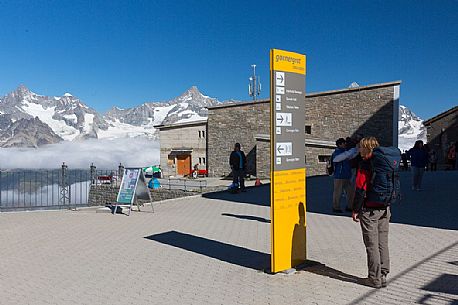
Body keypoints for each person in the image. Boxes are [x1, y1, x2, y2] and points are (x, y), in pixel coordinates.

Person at [352, 137, 399, 289]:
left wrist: (355, 210)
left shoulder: (366, 164)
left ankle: (374, 278)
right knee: (382, 243)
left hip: (370, 210)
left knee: (371, 245)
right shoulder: (384, 162)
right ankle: (383, 275)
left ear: (365, 148)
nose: (358, 150)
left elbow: (360, 189)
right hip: (385, 208)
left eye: (360, 147)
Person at [332, 138, 359, 213]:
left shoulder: (345, 152)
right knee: (338, 193)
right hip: (339, 176)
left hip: (347, 175)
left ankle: (350, 206)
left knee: (350, 192)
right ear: (340, 144)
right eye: (344, 143)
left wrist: (357, 150)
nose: (345, 144)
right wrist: (353, 150)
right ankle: (336, 207)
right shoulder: (337, 153)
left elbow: (351, 156)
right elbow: (337, 159)